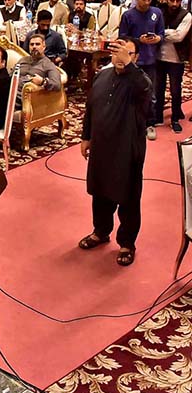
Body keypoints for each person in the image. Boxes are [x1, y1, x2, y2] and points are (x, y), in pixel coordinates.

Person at [78, 38, 152, 266]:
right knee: (99, 192)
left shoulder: (140, 82)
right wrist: (86, 136)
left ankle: (127, 243)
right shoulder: (102, 76)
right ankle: (101, 231)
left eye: (127, 53)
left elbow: (144, 88)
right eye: (118, 52)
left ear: (135, 58)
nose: (120, 57)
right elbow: (90, 107)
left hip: (127, 150)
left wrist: (128, 65)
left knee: (128, 198)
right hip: (101, 147)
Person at [119, 0, 164, 140]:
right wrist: (139, 40)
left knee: (150, 93)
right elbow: (123, 37)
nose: (146, 2)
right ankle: (129, 123)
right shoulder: (128, 15)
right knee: (130, 92)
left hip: (151, 58)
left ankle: (149, 123)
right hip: (133, 59)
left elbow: (161, 33)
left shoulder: (157, 13)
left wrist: (158, 39)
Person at [158, 0, 190, 133]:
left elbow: (179, 36)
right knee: (158, 88)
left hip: (177, 58)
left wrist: (161, 34)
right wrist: (168, 33)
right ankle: (157, 116)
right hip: (158, 57)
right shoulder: (159, 11)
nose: (174, 4)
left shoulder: (187, 15)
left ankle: (175, 117)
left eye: (178, 1)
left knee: (176, 90)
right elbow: (152, 30)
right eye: (172, 0)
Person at [14, 33, 62, 108]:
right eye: (32, 44)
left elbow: (57, 85)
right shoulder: (22, 60)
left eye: (37, 44)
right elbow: (10, 76)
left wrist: (43, 82)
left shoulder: (48, 64)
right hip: (11, 90)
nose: (34, 47)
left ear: (44, 47)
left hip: (24, 98)